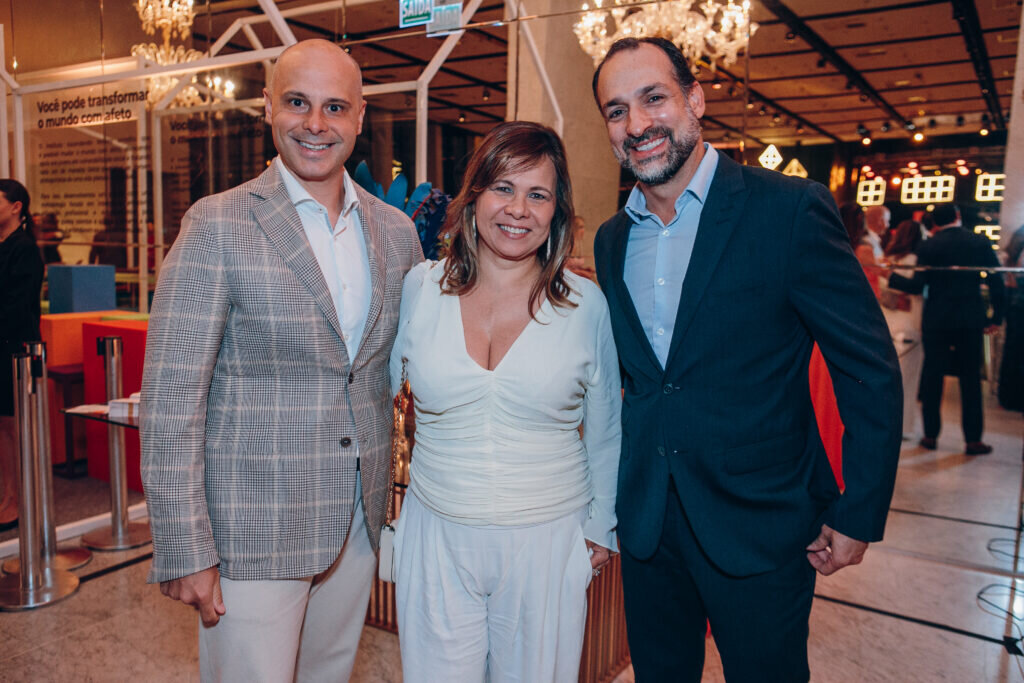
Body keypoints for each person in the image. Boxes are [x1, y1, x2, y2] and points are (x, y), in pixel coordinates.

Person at [590, 37, 902, 681]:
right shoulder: (612, 238)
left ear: (695, 99)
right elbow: (640, 382)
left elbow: (867, 367)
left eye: (654, 98)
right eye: (617, 111)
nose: (637, 124)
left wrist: (859, 510)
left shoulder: (788, 209)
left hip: (762, 521)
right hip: (648, 524)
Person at [141, 39, 423, 682]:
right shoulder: (217, 224)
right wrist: (185, 543)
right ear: (268, 107)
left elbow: (398, 372)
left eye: (334, 107)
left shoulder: (396, 233)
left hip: (355, 521)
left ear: (360, 116)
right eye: (298, 103)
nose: (315, 124)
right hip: (251, 530)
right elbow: (172, 395)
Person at [389, 121, 621, 682]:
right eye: (503, 188)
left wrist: (602, 524)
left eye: (538, 194)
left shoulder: (585, 304)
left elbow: (608, 425)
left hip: (547, 539)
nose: (518, 209)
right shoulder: (421, 287)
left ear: (556, 210)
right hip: (436, 532)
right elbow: (385, 397)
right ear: (475, 197)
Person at [889, 203, 1005, 455]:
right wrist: (996, 317)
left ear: (935, 222)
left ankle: (930, 436)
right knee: (970, 379)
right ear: (958, 216)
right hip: (970, 319)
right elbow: (996, 281)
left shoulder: (928, 246)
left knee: (933, 377)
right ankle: (973, 440)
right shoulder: (979, 242)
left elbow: (916, 286)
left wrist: (888, 275)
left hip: (937, 319)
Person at [0, 179, 43, 531]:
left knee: (12, 425)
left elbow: (17, 305)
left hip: (15, 348)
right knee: (2, 425)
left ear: (16, 207)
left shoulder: (24, 248)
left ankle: (16, 500)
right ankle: (7, 495)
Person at [880, 220, 926, 439]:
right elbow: (916, 291)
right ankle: (903, 426)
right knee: (907, 380)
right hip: (908, 323)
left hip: (885, 320)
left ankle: (885, 422)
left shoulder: (886, 259)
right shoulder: (915, 261)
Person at [999, 225, 1024, 412]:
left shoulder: (1010, 255)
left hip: (1013, 304)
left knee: (1012, 351)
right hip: (1019, 303)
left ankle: (1008, 397)